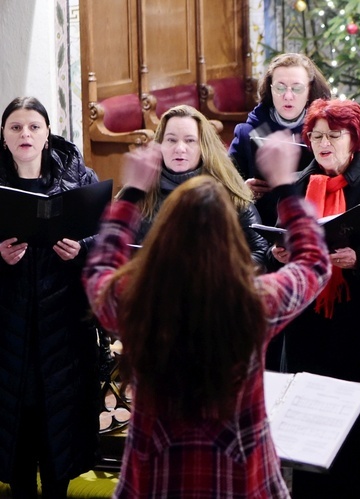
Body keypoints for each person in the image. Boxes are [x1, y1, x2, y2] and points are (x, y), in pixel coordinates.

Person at [82, 133, 332, 498]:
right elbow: (314, 262)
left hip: (157, 480)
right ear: (231, 240)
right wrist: (285, 188)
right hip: (239, 479)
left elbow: (99, 268)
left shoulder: (136, 301)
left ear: (164, 236)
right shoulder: (255, 303)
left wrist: (132, 193)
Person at [274, 98, 360, 498]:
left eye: (334, 135)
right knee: (312, 449)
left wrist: (358, 259)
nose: (324, 143)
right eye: (316, 136)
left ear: (355, 139)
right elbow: (278, 248)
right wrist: (278, 255)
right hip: (310, 335)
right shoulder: (296, 187)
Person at [0, 97, 100, 498]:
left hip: (64, 332)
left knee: (59, 433)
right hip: (9, 333)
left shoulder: (79, 176)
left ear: (47, 134)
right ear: (4, 136)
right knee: (17, 438)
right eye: (16, 127)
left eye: (34, 127)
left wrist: (83, 250)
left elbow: (110, 236)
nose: (25, 134)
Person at [134, 104, 269, 270]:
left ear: (203, 147)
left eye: (190, 140)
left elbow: (260, 252)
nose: (180, 148)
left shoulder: (229, 192)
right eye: (171, 140)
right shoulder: (139, 194)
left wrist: (222, 274)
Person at [229, 52, 331, 225]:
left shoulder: (325, 130)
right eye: (280, 87)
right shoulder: (249, 131)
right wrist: (242, 190)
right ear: (270, 88)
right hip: (262, 225)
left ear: (309, 89)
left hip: (315, 221)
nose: (288, 96)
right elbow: (224, 182)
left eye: (297, 88)